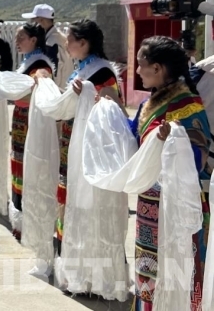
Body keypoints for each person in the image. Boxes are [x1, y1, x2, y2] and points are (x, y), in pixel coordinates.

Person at [130, 36, 211, 309]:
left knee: (176, 269)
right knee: (149, 269)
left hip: (176, 206)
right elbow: (134, 138)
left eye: (141, 64)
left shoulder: (188, 106)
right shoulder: (150, 103)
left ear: (158, 68)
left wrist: (173, 142)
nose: (137, 70)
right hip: (150, 203)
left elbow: (199, 158)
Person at [57, 19, 123, 248]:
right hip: (72, 141)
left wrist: (85, 95)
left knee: (86, 198)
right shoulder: (82, 68)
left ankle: (86, 252)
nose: (66, 45)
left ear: (83, 43)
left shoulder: (102, 72)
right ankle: (67, 249)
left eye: (69, 40)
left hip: (89, 145)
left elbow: (110, 108)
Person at [9, 23, 54, 239]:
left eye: (21, 37)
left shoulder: (40, 65)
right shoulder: (28, 62)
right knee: (19, 165)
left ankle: (31, 221)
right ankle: (20, 219)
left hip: (31, 122)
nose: (17, 42)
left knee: (30, 166)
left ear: (33, 40)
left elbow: (41, 80)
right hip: (22, 119)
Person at [22, 4, 71, 86]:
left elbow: (54, 72)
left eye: (34, 19)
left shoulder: (51, 43)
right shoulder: (58, 36)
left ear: (41, 20)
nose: (31, 22)